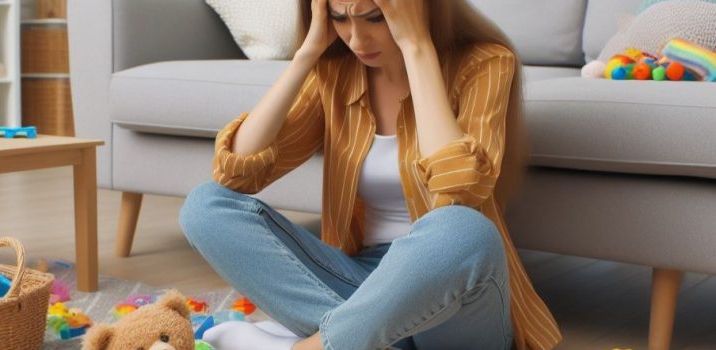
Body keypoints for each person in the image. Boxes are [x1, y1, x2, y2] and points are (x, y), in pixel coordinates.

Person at [179, 0, 561, 349]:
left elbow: (459, 190)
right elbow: (236, 174)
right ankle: (356, 339)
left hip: (453, 289)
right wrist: (306, 55)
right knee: (205, 206)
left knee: (463, 229)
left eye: (374, 17)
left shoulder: (486, 63)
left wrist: (417, 48)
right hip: (363, 281)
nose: (356, 38)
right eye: (340, 17)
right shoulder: (337, 73)